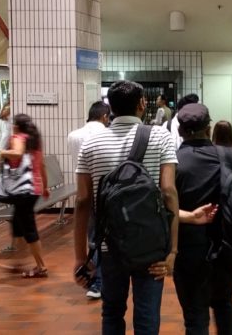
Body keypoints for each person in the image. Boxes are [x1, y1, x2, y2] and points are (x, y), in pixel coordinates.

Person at [73, 80, 179, 334]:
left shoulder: (91, 143)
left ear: (110, 107)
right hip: (151, 245)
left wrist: (80, 255)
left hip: (110, 246)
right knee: (147, 315)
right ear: (142, 104)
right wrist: (173, 250)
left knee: (111, 312)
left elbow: (83, 201)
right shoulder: (160, 136)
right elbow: (168, 192)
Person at [173, 103, 232, 335]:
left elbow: (165, 206)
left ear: (181, 131)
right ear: (208, 127)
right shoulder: (230, 155)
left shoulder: (172, 162)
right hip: (229, 246)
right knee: (223, 304)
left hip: (187, 249)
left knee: (194, 315)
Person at [66, 100, 110, 299]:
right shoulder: (104, 135)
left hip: (83, 190)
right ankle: (99, 281)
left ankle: (93, 278)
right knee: (103, 238)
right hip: (104, 194)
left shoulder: (73, 136)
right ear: (105, 117)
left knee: (92, 237)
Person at [0, 114, 51, 279]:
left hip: (23, 190)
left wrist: (2, 152)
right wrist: (45, 186)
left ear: (16, 126)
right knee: (17, 224)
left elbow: (16, 153)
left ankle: (41, 266)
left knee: (28, 228)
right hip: (32, 188)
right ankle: (18, 262)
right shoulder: (34, 140)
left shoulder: (19, 137)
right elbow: (41, 165)